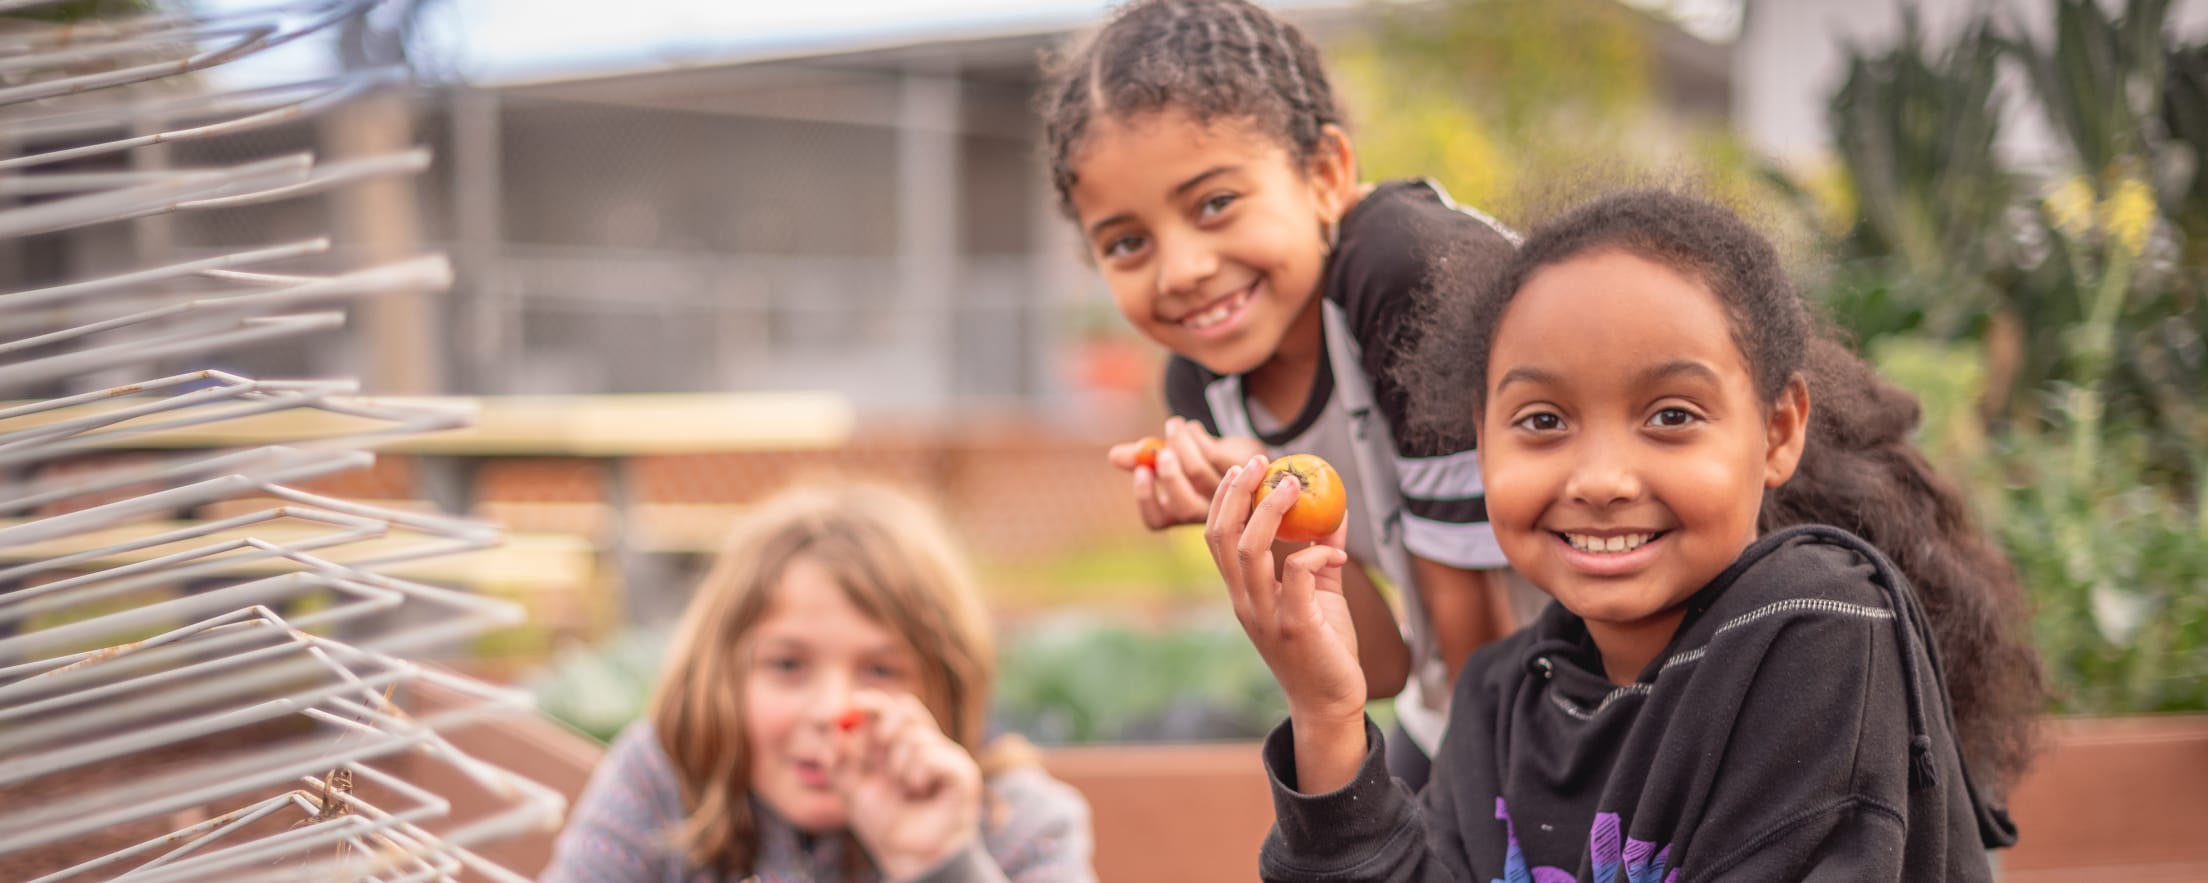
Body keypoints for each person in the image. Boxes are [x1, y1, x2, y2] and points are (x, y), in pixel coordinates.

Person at [1208, 190, 2032, 880]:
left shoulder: (1815, 629)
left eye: (1671, 415)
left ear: (1778, 431)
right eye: (1542, 419)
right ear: (1481, 440)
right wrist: (1324, 710)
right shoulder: (1500, 697)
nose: (1600, 478)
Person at [1041, 0, 1536, 790]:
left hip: (1644, 674)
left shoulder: (1405, 272)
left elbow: (1479, 643)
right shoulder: (1204, 378)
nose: (1181, 270)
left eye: (1214, 204)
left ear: (1326, 174)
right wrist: (1266, 506)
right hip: (1481, 703)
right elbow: (1375, 666)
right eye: (1128, 242)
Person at [542, 484, 1095, 883]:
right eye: (787, 666)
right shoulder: (660, 781)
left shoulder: (1020, 822)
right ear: (723, 676)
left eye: (881, 671)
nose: (833, 710)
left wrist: (942, 867)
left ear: (945, 687)